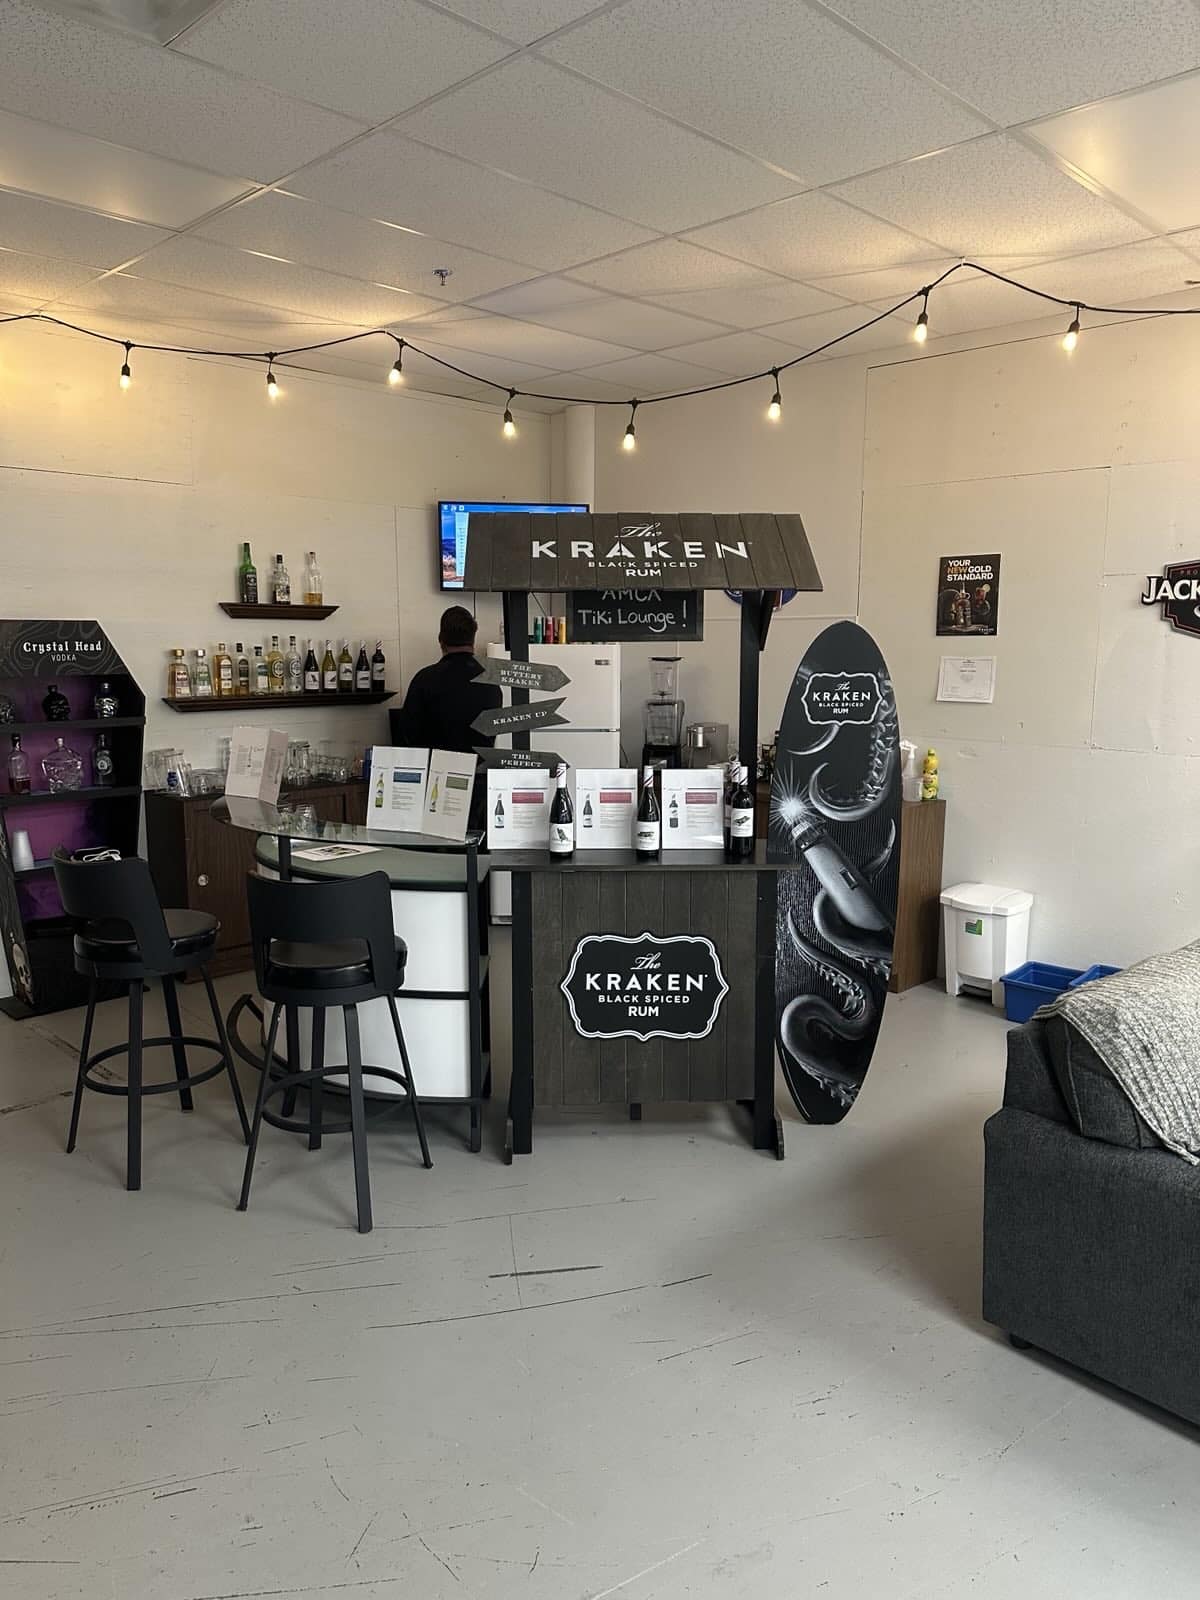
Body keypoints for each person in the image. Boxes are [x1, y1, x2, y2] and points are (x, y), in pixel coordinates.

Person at [390, 606, 501, 830]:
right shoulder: (491, 684)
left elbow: (407, 736)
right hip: (479, 786)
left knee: (437, 846)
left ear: (441, 640)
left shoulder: (424, 679)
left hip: (434, 783)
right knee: (475, 845)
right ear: (473, 638)